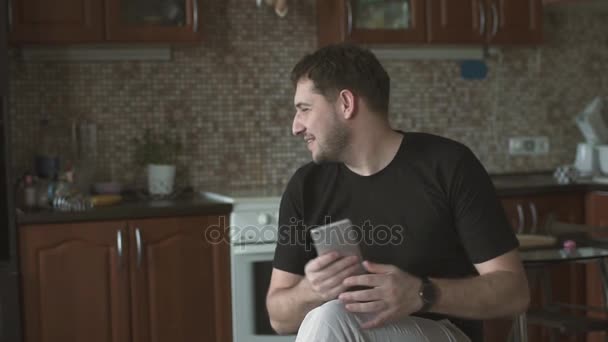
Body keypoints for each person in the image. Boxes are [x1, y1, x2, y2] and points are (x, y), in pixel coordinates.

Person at [266, 43, 530, 342]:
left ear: (346, 103)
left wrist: (423, 293)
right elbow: (279, 317)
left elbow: (515, 293)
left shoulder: (448, 166)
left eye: (304, 109)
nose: (296, 127)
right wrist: (315, 289)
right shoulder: (306, 186)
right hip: (352, 330)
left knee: (329, 319)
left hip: (444, 332)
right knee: (327, 314)